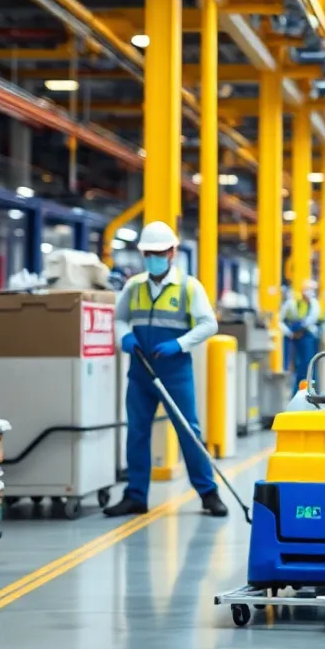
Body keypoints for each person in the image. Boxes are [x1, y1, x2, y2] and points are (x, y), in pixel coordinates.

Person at [106, 221, 228, 518]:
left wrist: (180, 344)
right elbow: (120, 318)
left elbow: (208, 324)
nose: (153, 258)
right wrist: (125, 336)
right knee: (136, 432)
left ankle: (208, 493)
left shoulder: (189, 287)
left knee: (189, 432)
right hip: (140, 373)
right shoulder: (134, 287)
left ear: (172, 252)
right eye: (148, 253)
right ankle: (135, 495)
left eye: (158, 252)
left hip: (174, 373)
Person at [281, 278, 321, 393]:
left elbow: (312, 318)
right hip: (294, 338)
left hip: (308, 337)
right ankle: (297, 391)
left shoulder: (313, 304)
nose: (310, 292)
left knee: (309, 364)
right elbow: (281, 319)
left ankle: (310, 389)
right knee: (296, 365)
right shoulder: (292, 303)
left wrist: (301, 329)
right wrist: (290, 333)